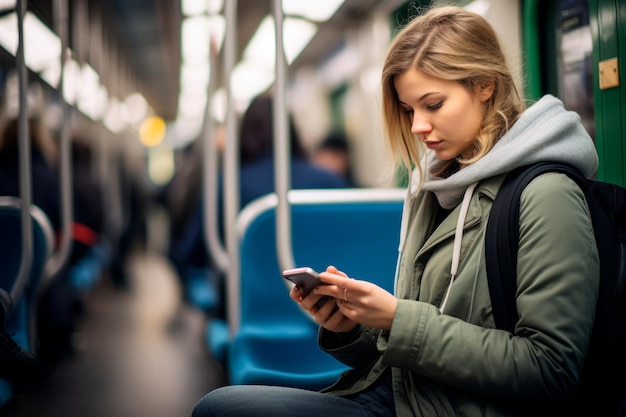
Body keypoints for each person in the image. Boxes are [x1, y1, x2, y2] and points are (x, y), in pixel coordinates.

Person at [192, 5, 599, 416]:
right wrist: (355, 327)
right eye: (409, 110)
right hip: (405, 396)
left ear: (485, 85)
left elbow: (551, 369)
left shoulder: (546, 193)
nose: (418, 126)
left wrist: (398, 319)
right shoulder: (436, 186)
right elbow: (418, 346)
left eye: (433, 104)